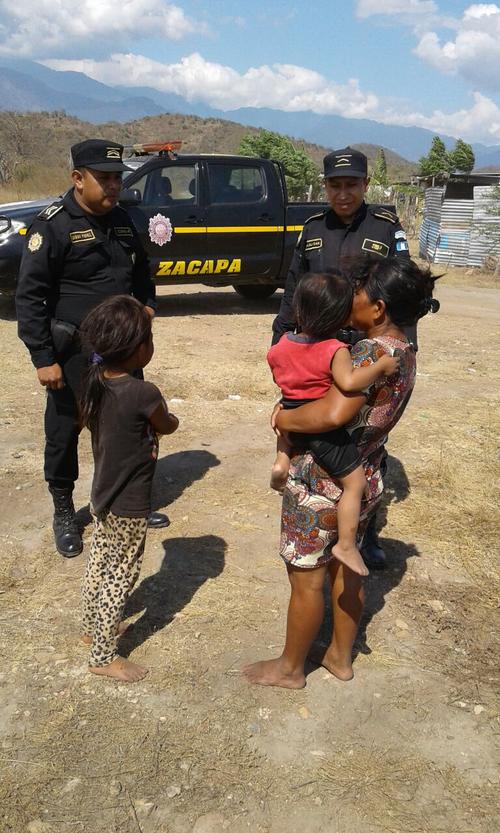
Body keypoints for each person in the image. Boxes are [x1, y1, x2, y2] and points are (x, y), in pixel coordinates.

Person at [244, 256, 439, 689]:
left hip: (323, 481)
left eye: (361, 290)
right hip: (365, 474)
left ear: (379, 308)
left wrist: (283, 418)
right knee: (345, 568)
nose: (353, 296)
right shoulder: (404, 352)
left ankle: (290, 669)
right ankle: (339, 657)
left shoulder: (368, 353)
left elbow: (332, 414)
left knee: (307, 578)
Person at [16, 138, 168, 559]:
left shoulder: (123, 221)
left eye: (117, 178)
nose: (114, 186)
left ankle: (121, 502)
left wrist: (147, 307)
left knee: (127, 429)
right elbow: (29, 297)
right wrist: (43, 358)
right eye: (104, 178)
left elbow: (142, 274)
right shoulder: (51, 226)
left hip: (122, 351)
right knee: (64, 432)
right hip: (73, 352)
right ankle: (64, 509)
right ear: (78, 178)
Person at [271, 146, 412, 571]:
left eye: (352, 184)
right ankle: (312, 515)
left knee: (364, 442)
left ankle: (364, 533)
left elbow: (402, 291)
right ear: (326, 186)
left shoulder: (385, 227)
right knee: (315, 431)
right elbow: (294, 291)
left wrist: (402, 349)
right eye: (335, 185)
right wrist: (282, 340)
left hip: (363, 350)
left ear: (366, 185)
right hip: (319, 352)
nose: (343, 193)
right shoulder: (313, 228)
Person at [268, 271, 400, 576]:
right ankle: (347, 545)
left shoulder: (282, 345)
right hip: (322, 430)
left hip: (291, 412)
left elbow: (278, 371)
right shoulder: (335, 350)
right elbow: (349, 381)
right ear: (342, 317)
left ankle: (281, 460)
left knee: (285, 421)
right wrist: (380, 366)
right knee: (355, 483)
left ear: (298, 309)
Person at [78, 295, 179, 682]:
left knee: (99, 562)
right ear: (138, 348)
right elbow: (166, 424)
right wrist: (172, 419)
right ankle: (103, 655)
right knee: (121, 575)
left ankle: (91, 628)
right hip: (129, 502)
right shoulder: (143, 392)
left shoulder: (96, 381)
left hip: (102, 494)